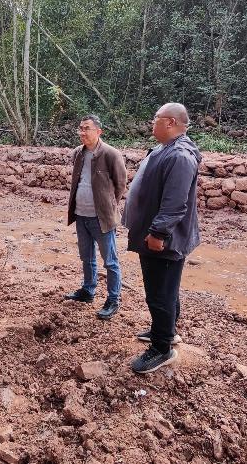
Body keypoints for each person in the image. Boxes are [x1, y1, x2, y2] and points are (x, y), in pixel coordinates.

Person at [123, 103, 201, 373]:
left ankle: (161, 348)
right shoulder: (166, 149)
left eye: (155, 118)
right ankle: (166, 330)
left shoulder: (180, 156)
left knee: (160, 293)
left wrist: (158, 233)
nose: (152, 123)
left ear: (170, 122)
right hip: (157, 234)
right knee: (166, 289)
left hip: (165, 240)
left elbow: (175, 203)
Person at [63, 115, 128, 320]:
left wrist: (108, 205)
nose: (82, 132)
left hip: (101, 218)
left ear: (99, 131)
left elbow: (120, 184)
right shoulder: (78, 153)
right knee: (87, 257)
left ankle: (113, 299)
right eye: (80, 128)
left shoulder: (111, 154)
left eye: (87, 128)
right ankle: (88, 290)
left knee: (110, 261)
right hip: (81, 214)